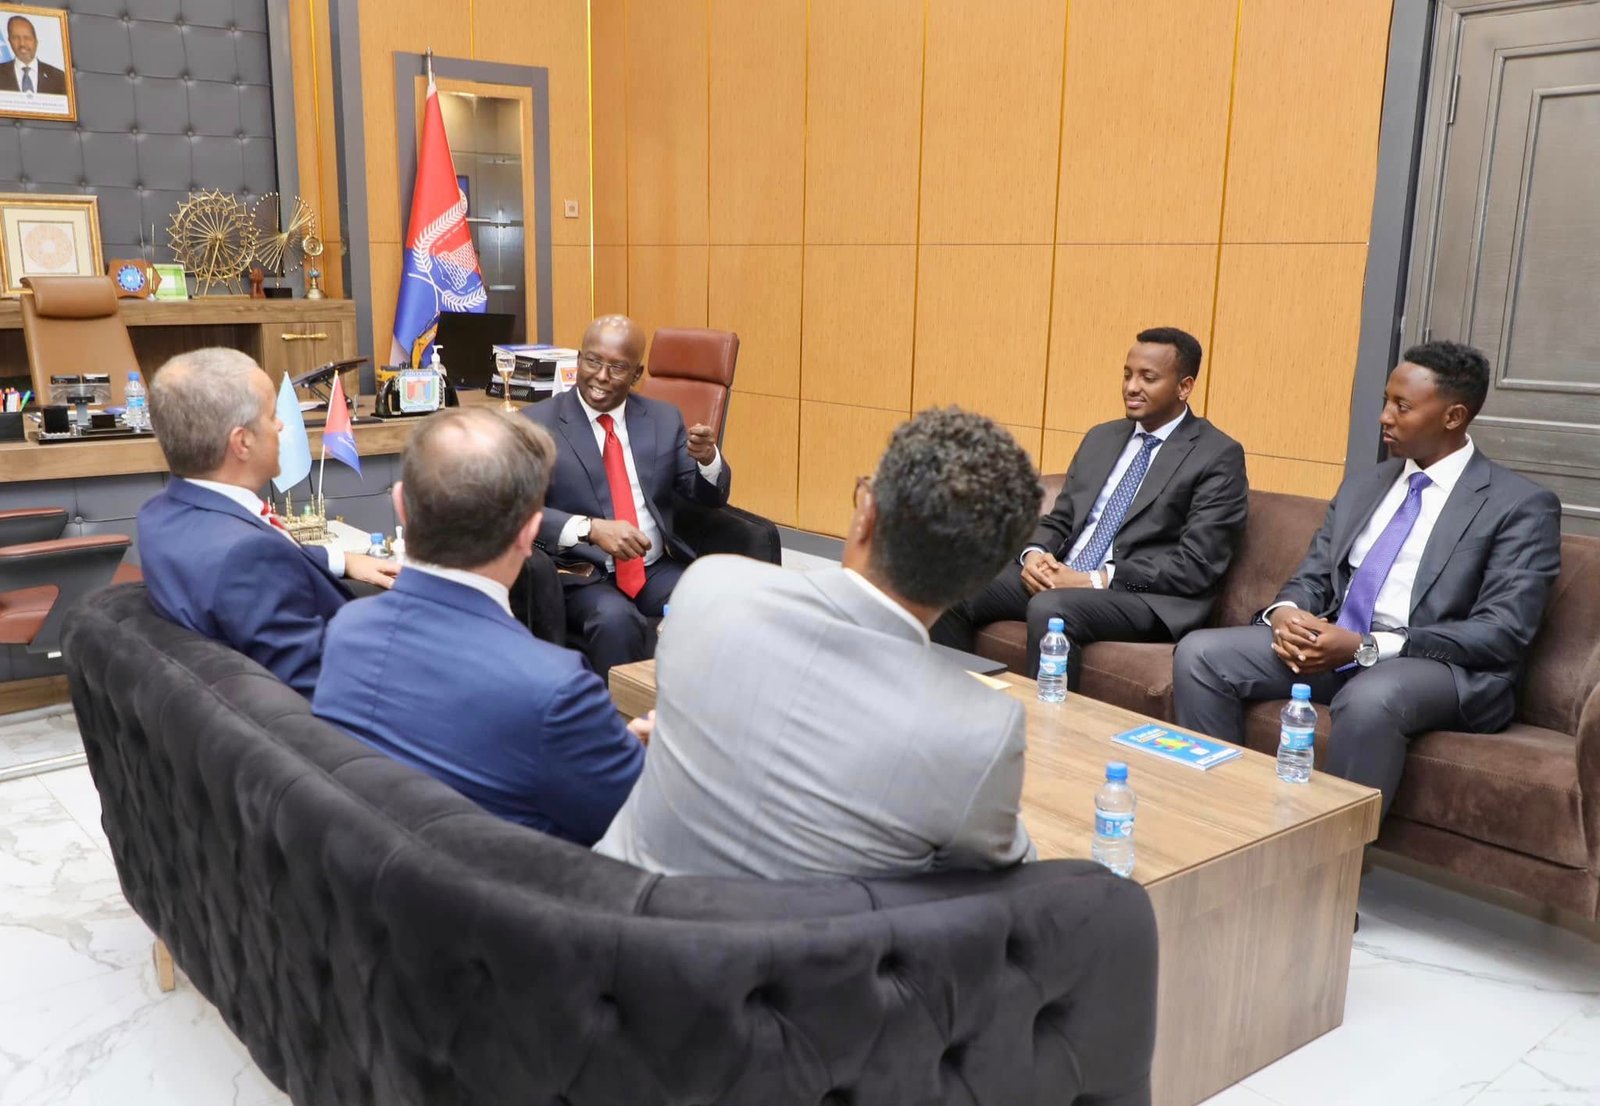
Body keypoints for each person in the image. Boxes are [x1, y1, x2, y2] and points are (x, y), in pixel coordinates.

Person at [596, 407, 1043, 878]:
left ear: (865, 513)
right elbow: (1011, 868)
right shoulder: (981, 731)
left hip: (618, 905)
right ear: (982, 576)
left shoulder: (709, 588)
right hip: (796, 926)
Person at [1173, 341, 1562, 814]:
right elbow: (1315, 575)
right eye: (1385, 401)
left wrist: (1368, 645)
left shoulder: (1519, 505)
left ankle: (1331, 850)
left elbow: (1502, 631)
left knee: (1371, 697)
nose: (1384, 417)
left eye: (1402, 406)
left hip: (1440, 666)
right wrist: (1286, 614)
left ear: (1454, 416)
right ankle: (1218, 817)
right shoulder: (1366, 485)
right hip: (1338, 647)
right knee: (1201, 654)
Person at [314, 408, 646, 844]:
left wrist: (597, 747)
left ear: (401, 506)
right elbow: (638, 826)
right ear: (529, 532)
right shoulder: (557, 689)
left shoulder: (345, 631)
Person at [932, 326, 1247, 685]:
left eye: (1148, 378)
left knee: (1053, 608)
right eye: (1127, 375)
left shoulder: (1216, 455)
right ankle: (953, 700)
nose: (1131, 387)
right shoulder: (1102, 437)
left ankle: (1043, 720)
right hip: (1065, 576)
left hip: (1144, 598)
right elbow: (1061, 518)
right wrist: (1034, 555)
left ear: (1184, 386)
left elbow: (1197, 564)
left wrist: (1093, 579)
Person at [138, 348, 397, 697]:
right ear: (242, 442)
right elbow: (316, 683)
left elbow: (260, 559)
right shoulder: (247, 558)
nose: (281, 425)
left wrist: (342, 559)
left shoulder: (159, 512)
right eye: (271, 415)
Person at [524, 313, 732, 679]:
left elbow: (707, 497)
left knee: (718, 603)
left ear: (636, 375)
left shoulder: (663, 418)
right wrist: (589, 529)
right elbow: (516, 511)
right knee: (616, 622)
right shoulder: (536, 424)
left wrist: (708, 461)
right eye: (592, 361)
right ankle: (617, 715)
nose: (601, 376)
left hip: (653, 568)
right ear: (578, 359)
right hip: (580, 571)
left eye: (617, 368)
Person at [1, 15, 69, 95]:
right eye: (15, 38)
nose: (22, 44)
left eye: (27, 38)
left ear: (36, 41)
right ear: (9, 41)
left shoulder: (59, 78)